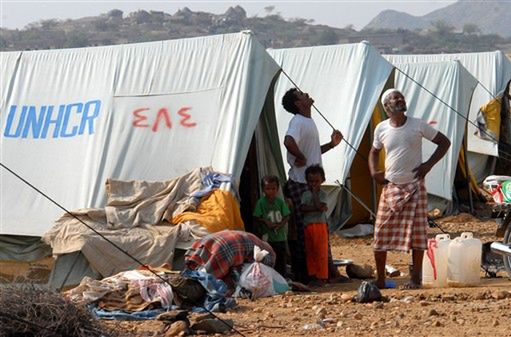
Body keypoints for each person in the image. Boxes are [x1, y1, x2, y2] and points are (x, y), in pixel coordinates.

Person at [368, 88, 451, 289]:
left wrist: (428, 165)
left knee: (418, 234)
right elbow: (373, 152)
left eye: (401, 97)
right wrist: (374, 172)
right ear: (387, 106)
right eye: (395, 98)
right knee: (380, 232)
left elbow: (444, 142)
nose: (400, 99)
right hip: (391, 186)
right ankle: (380, 279)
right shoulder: (381, 128)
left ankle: (415, 279)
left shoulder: (417, 124)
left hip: (415, 186)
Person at [281, 88, 343, 283]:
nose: (306, 94)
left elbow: (312, 152)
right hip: (300, 183)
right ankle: (310, 274)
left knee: (318, 229)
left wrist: (331, 145)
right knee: (304, 231)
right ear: (298, 104)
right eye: (301, 94)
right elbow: (288, 141)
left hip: (309, 183)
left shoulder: (307, 121)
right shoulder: (298, 122)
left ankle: (324, 271)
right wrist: (299, 156)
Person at [184, 230, 276, 289]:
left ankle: (193, 279)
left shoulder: (254, 239)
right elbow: (259, 267)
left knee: (200, 269)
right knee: (209, 276)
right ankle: (198, 283)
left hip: (210, 239)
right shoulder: (267, 253)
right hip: (228, 245)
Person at [253, 175, 291, 277]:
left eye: (273, 188)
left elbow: (287, 216)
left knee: (280, 259)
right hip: (268, 238)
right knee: (268, 259)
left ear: (277, 189)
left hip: (280, 237)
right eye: (268, 189)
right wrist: (266, 222)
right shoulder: (261, 203)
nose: (271, 191)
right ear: (263, 190)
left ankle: (282, 278)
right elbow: (256, 217)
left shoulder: (280, 202)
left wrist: (280, 225)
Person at [300, 165, 329, 286]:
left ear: (322, 180)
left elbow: (320, 207)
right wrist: (316, 208)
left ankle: (321, 277)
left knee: (321, 252)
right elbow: (303, 208)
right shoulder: (305, 194)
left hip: (319, 226)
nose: (313, 184)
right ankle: (312, 275)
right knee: (310, 251)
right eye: (311, 181)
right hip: (308, 226)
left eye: (316, 181)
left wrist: (315, 195)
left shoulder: (323, 194)